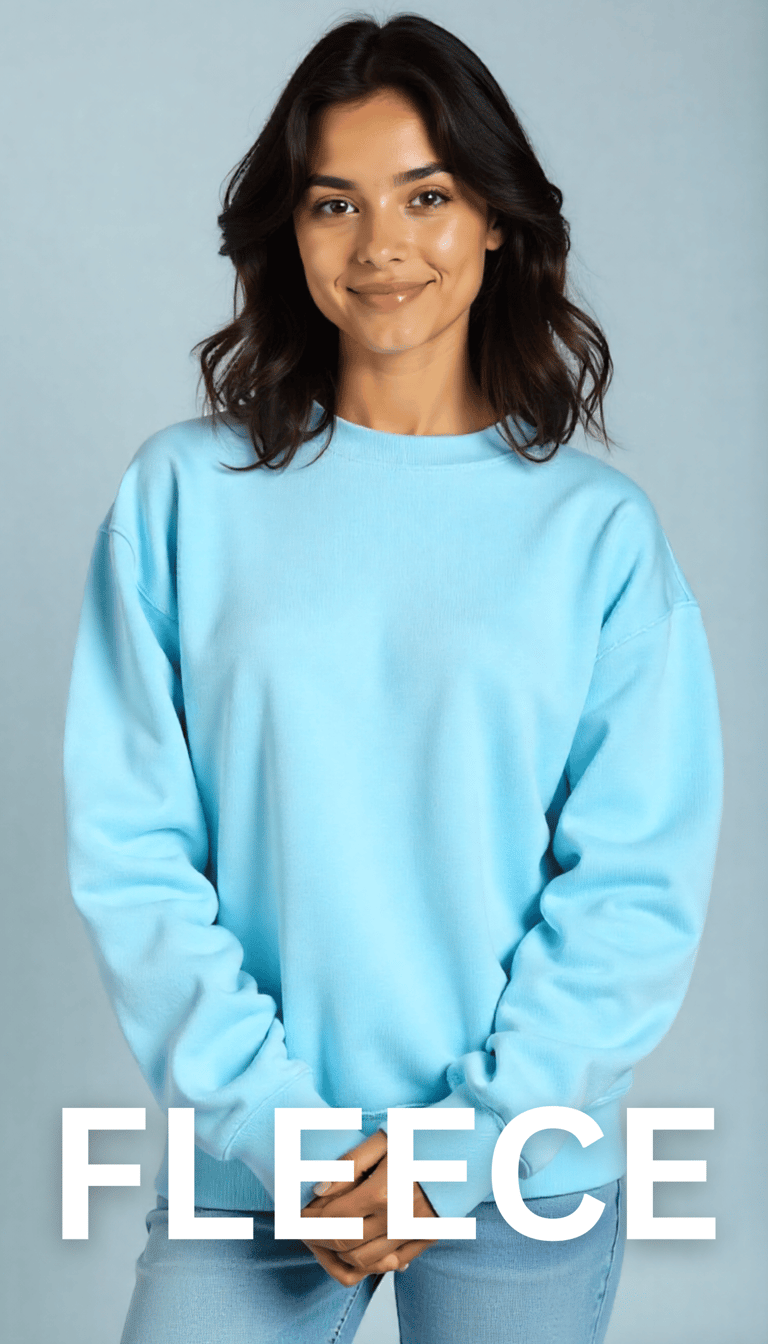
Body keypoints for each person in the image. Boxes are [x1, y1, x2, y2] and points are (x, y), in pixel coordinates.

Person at [62, 13, 723, 1344]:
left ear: (495, 221)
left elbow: (633, 888)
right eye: (334, 203)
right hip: (256, 1161)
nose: (381, 245)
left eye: (426, 196)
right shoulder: (182, 498)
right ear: (290, 233)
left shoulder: (596, 536)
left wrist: (465, 1147)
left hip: (519, 1164)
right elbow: (132, 852)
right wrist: (282, 1134)